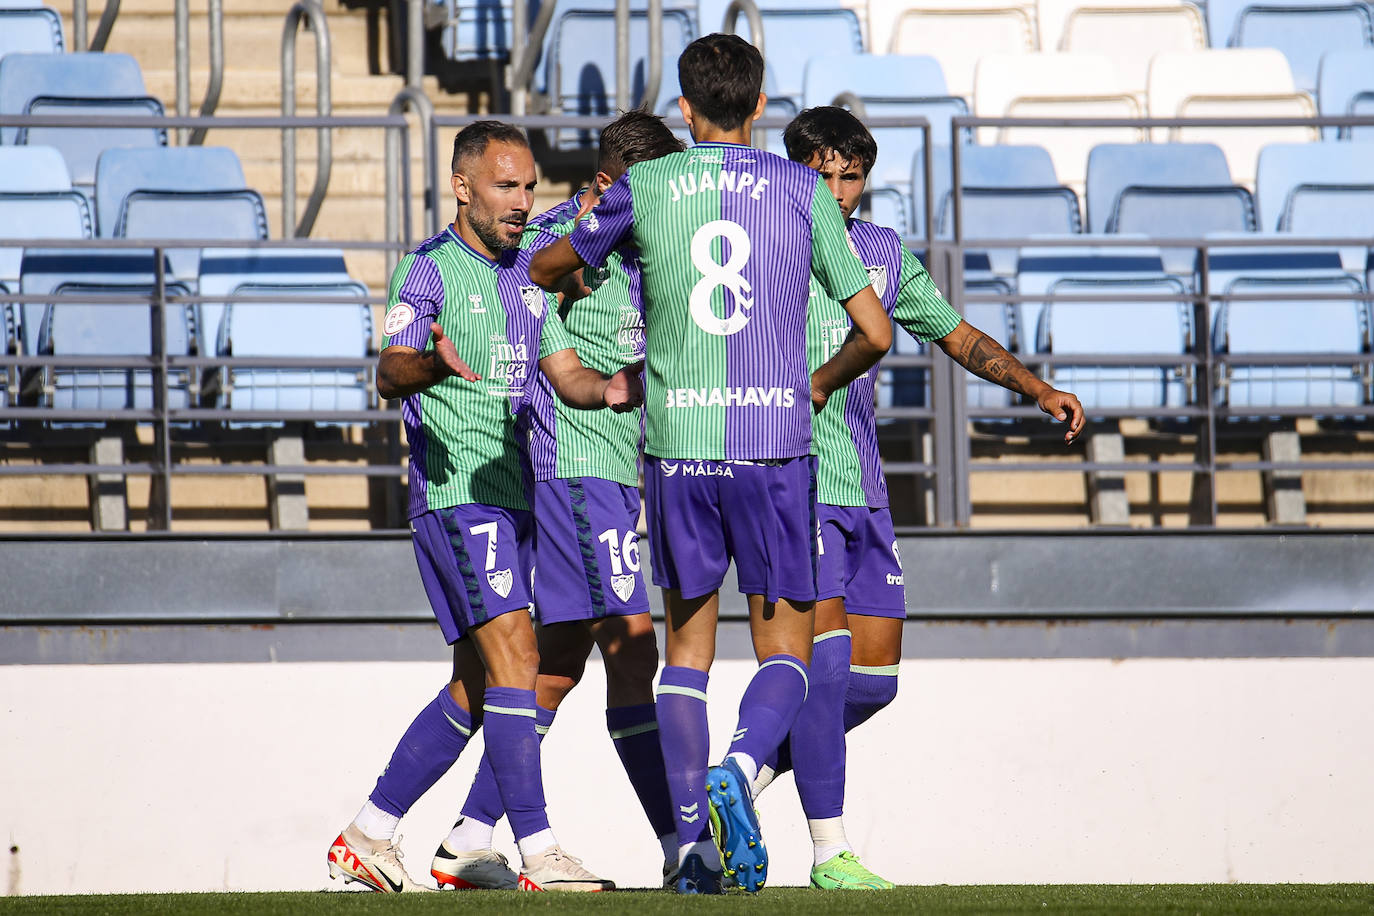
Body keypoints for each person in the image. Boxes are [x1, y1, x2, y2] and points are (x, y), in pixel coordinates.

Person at [529, 35, 894, 895]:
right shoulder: (805, 191)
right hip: (773, 447)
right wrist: (814, 386)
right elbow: (875, 333)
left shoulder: (647, 185)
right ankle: (740, 764)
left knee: (685, 655)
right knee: (786, 649)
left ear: (683, 111)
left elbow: (547, 266)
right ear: (761, 106)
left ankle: (691, 850)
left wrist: (584, 265)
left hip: (677, 448)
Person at [752, 105, 1085, 890]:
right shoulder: (765, 244)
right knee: (824, 666)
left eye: (851, 175)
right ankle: (830, 853)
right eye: (820, 173)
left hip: (864, 486)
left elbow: (955, 334)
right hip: (790, 479)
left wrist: (1035, 386)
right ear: (794, 169)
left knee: (872, 684)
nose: (836, 189)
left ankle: (735, 780)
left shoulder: (881, 252)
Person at [326, 120, 642, 893]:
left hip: (518, 497)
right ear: (463, 187)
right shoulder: (428, 271)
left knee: (476, 687)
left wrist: (609, 389)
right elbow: (390, 370)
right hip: (459, 493)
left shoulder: (529, 274)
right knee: (522, 662)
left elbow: (561, 373)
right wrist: (432, 362)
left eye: (530, 186)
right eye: (507, 186)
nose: (522, 201)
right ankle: (538, 852)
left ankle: (367, 834)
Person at [431, 109, 687, 892]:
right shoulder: (556, 241)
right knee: (633, 648)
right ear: (612, 184)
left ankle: (470, 833)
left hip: (615, 469)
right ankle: (684, 845)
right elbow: (538, 310)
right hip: (572, 467)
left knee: (560, 662)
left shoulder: (646, 243)